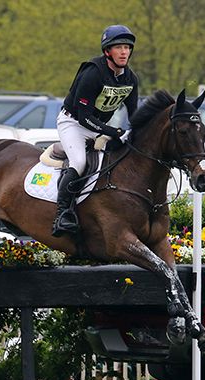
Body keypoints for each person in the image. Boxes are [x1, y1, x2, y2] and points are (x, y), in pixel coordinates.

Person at [52, 24, 140, 237]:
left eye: (127, 47)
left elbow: (134, 115)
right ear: (107, 51)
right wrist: (113, 131)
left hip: (98, 127)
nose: (124, 52)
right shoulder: (93, 73)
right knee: (79, 162)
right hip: (73, 124)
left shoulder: (130, 79)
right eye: (118, 47)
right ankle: (62, 214)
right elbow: (84, 117)